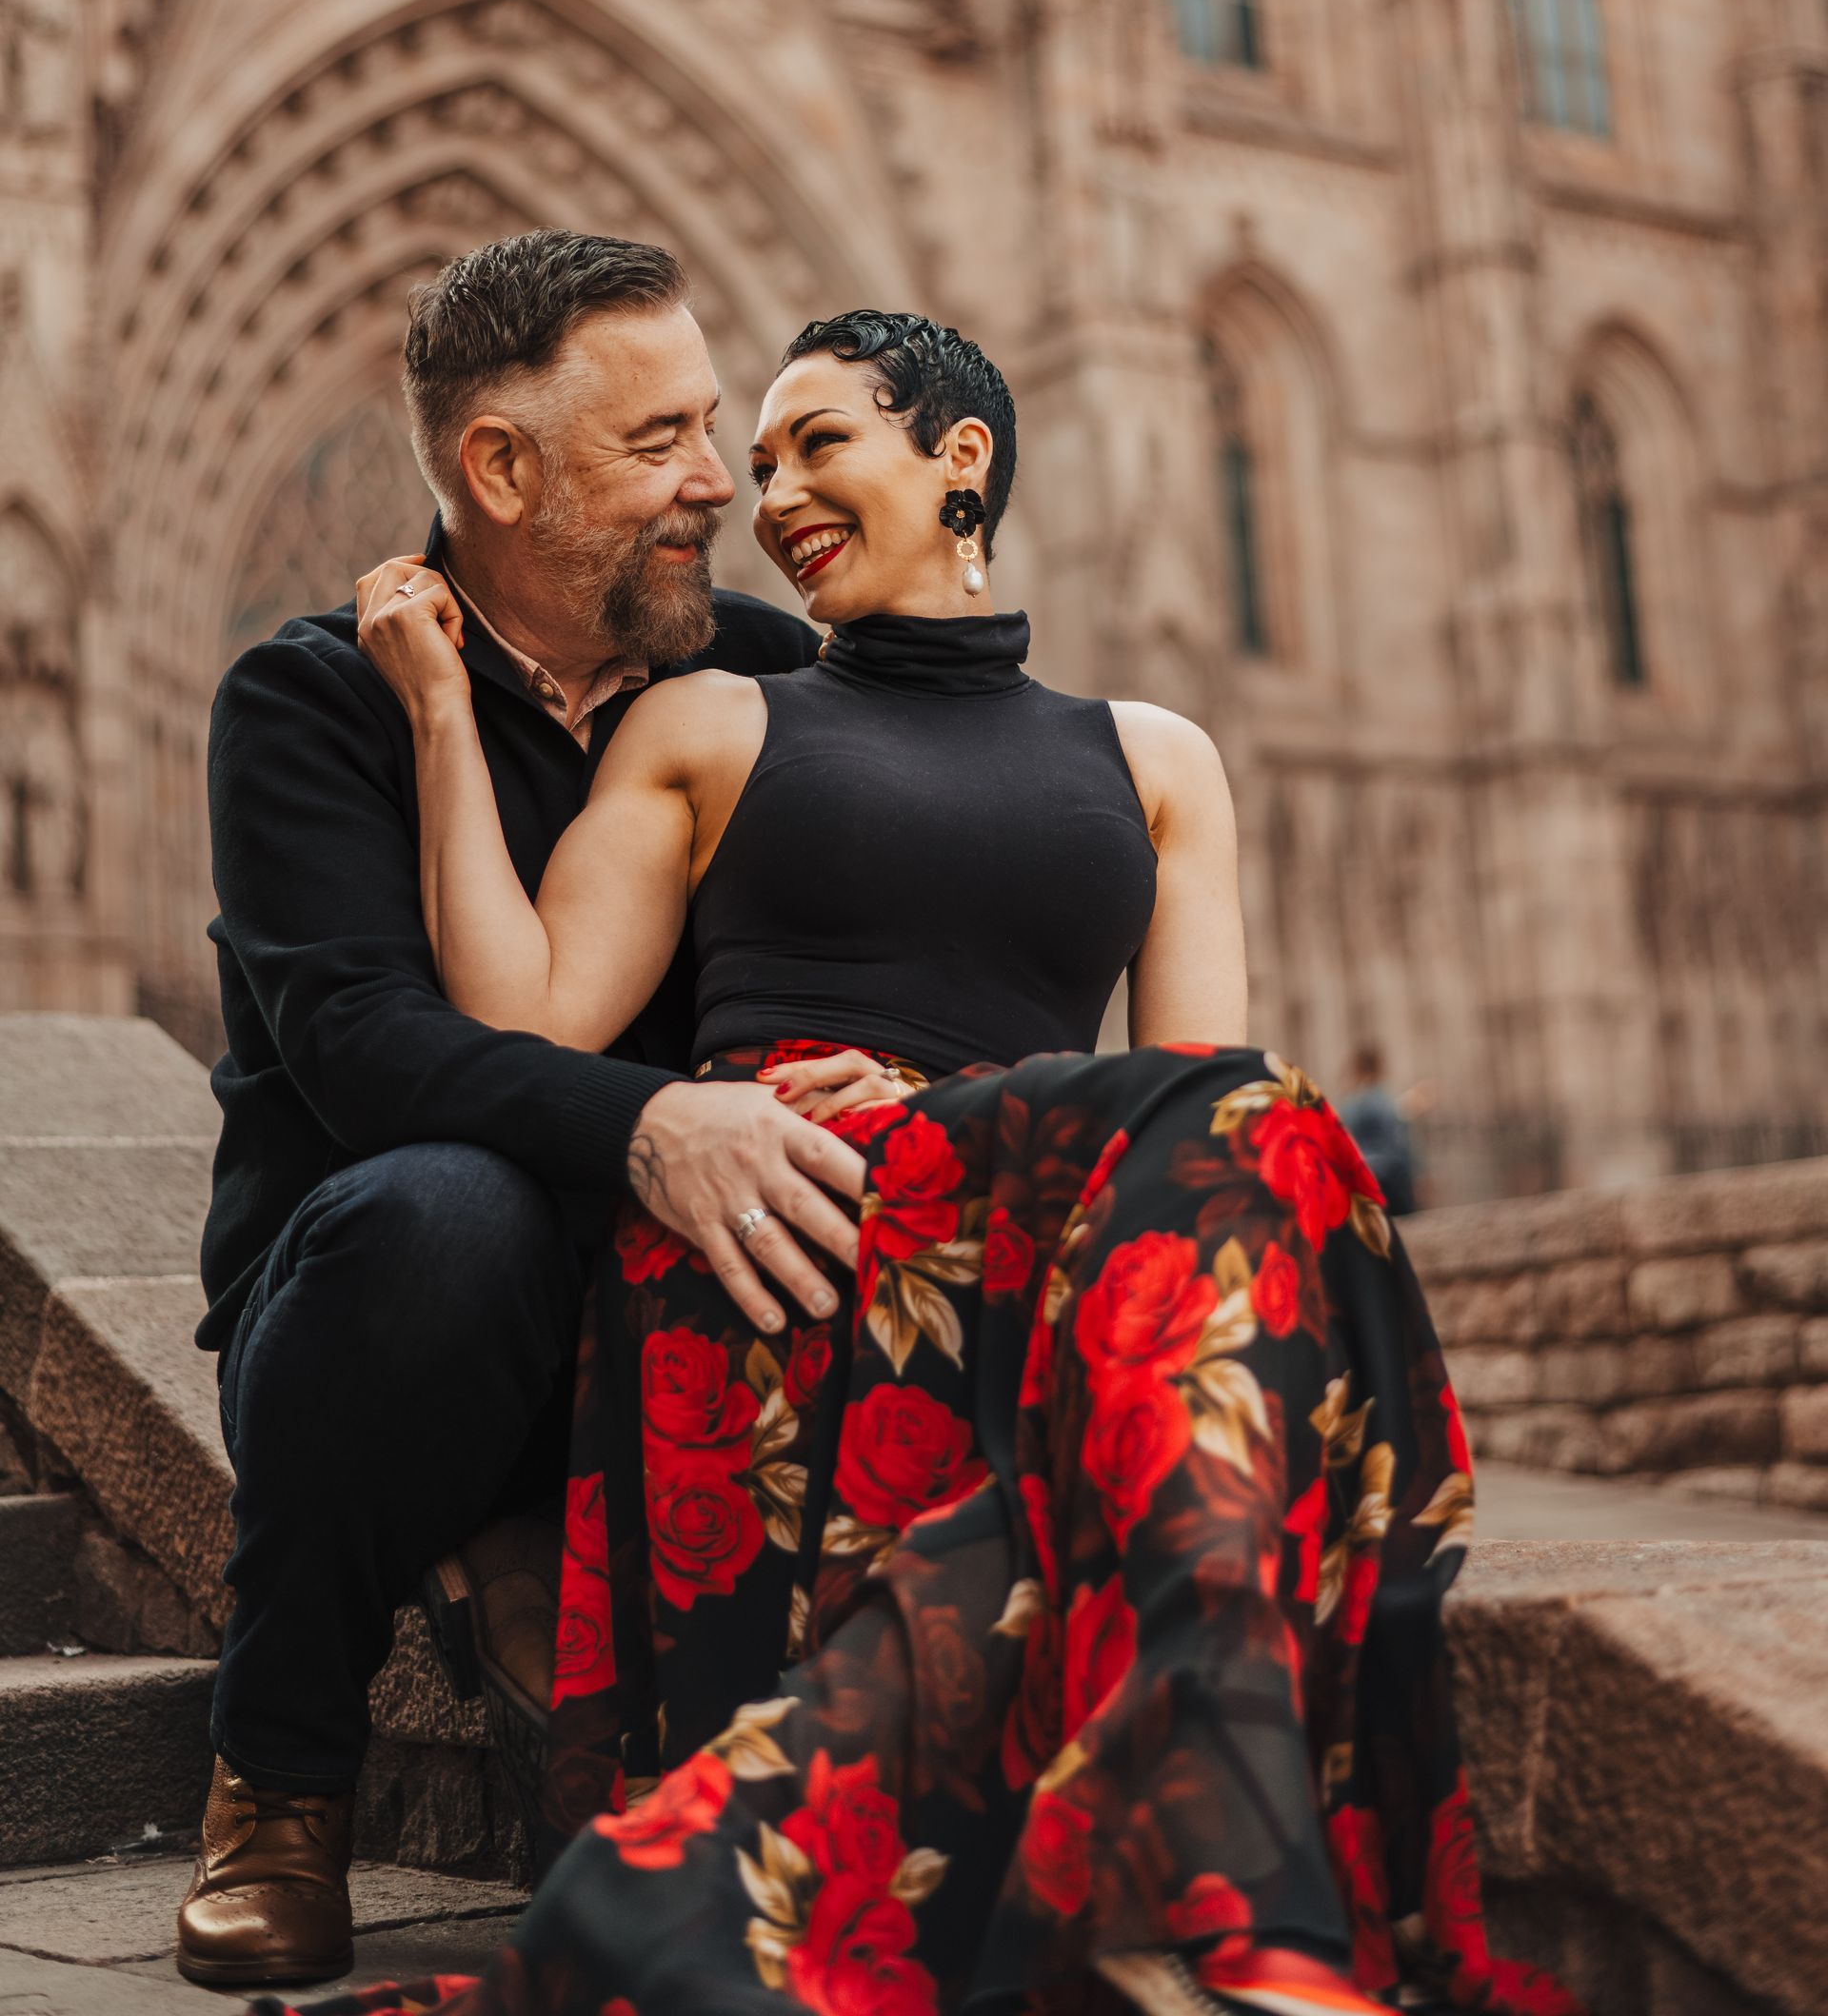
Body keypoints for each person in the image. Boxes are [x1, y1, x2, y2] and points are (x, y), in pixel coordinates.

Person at [335, 310, 1580, 2016]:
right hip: (783, 1211)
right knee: (1256, 1151)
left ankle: (1211, 1873)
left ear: (961, 459)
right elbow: (527, 1023)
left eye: (817, 442)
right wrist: (438, 723)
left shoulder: (1159, 759)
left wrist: (975, 1098)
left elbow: (1194, 1114)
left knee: (1258, 1135)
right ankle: (1236, 1884)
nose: (772, 493)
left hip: (1027, 1213)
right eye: (756, 466)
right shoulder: (708, 720)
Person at [179, 234, 904, 1991]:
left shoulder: (754, 671)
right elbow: (364, 1050)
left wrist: (869, 1063)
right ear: (499, 469)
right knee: (449, 1211)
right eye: (660, 442)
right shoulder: (309, 699)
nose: (717, 484)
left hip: (672, 1292)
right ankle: (277, 1779)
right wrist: (653, 1125)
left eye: (711, 428)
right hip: (389, 1301)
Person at [1336, 1044, 1418, 1220]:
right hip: (1389, 1176)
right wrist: (1416, 1175)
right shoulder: (1383, 1100)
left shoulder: (1349, 1104)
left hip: (1359, 1179)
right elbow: (1398, 1142)